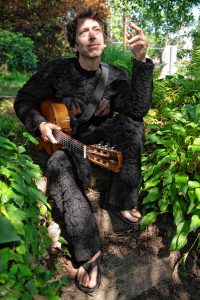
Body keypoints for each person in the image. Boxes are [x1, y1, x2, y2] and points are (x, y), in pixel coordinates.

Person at [14, 7, 154, 293]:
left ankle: (121, 198)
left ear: (103, 38)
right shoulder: (56, 70)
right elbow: (23, 100)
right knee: (57, 166)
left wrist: (141, 61)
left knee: (133, 126)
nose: (91, 36)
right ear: (75, 42)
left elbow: (138, 110)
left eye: (97, 31)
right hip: (62, 141)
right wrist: (40, 123)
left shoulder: (115, 76)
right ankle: (89, 252)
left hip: (97, 140)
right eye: (83, 32)